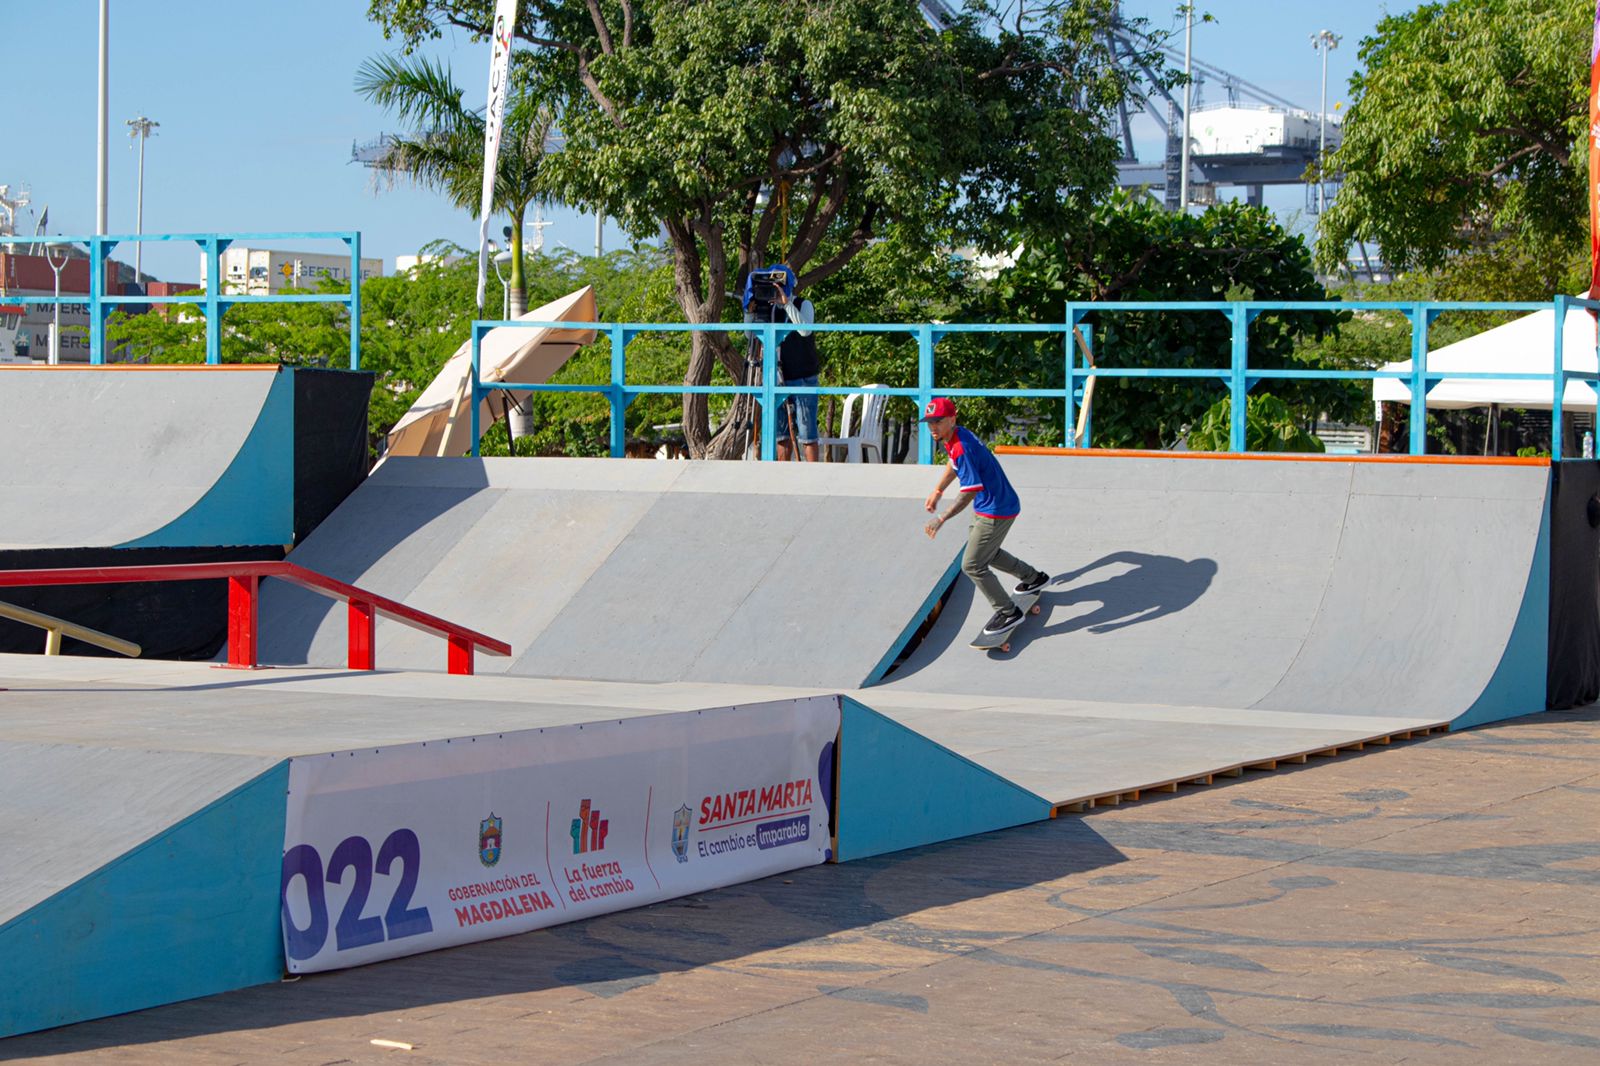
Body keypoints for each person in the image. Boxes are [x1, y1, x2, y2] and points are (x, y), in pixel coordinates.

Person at [921, 397, 1049, 636]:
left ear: (952, 419)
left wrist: (941, 519)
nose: (933, 428)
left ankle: (1008, 612)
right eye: (929, 423)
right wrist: (938, 490)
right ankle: (1033, 578)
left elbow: (969, 493)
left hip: (996, 510)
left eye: (938, 422)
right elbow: (953, 464)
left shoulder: (962, 447)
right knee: (986, 553)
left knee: (972, 564)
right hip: (992, 505)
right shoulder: (955, 436)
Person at [743, 264, 820, 462]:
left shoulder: (804, 304)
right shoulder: (768, 310)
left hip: (804, 376)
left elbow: (805, 330)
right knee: (781, 436)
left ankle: (814, 478)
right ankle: (782, 477)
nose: (774, 291)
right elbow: (750, 335)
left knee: (807, 434)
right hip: (777, 378)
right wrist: (750, 312)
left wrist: (786, 304)